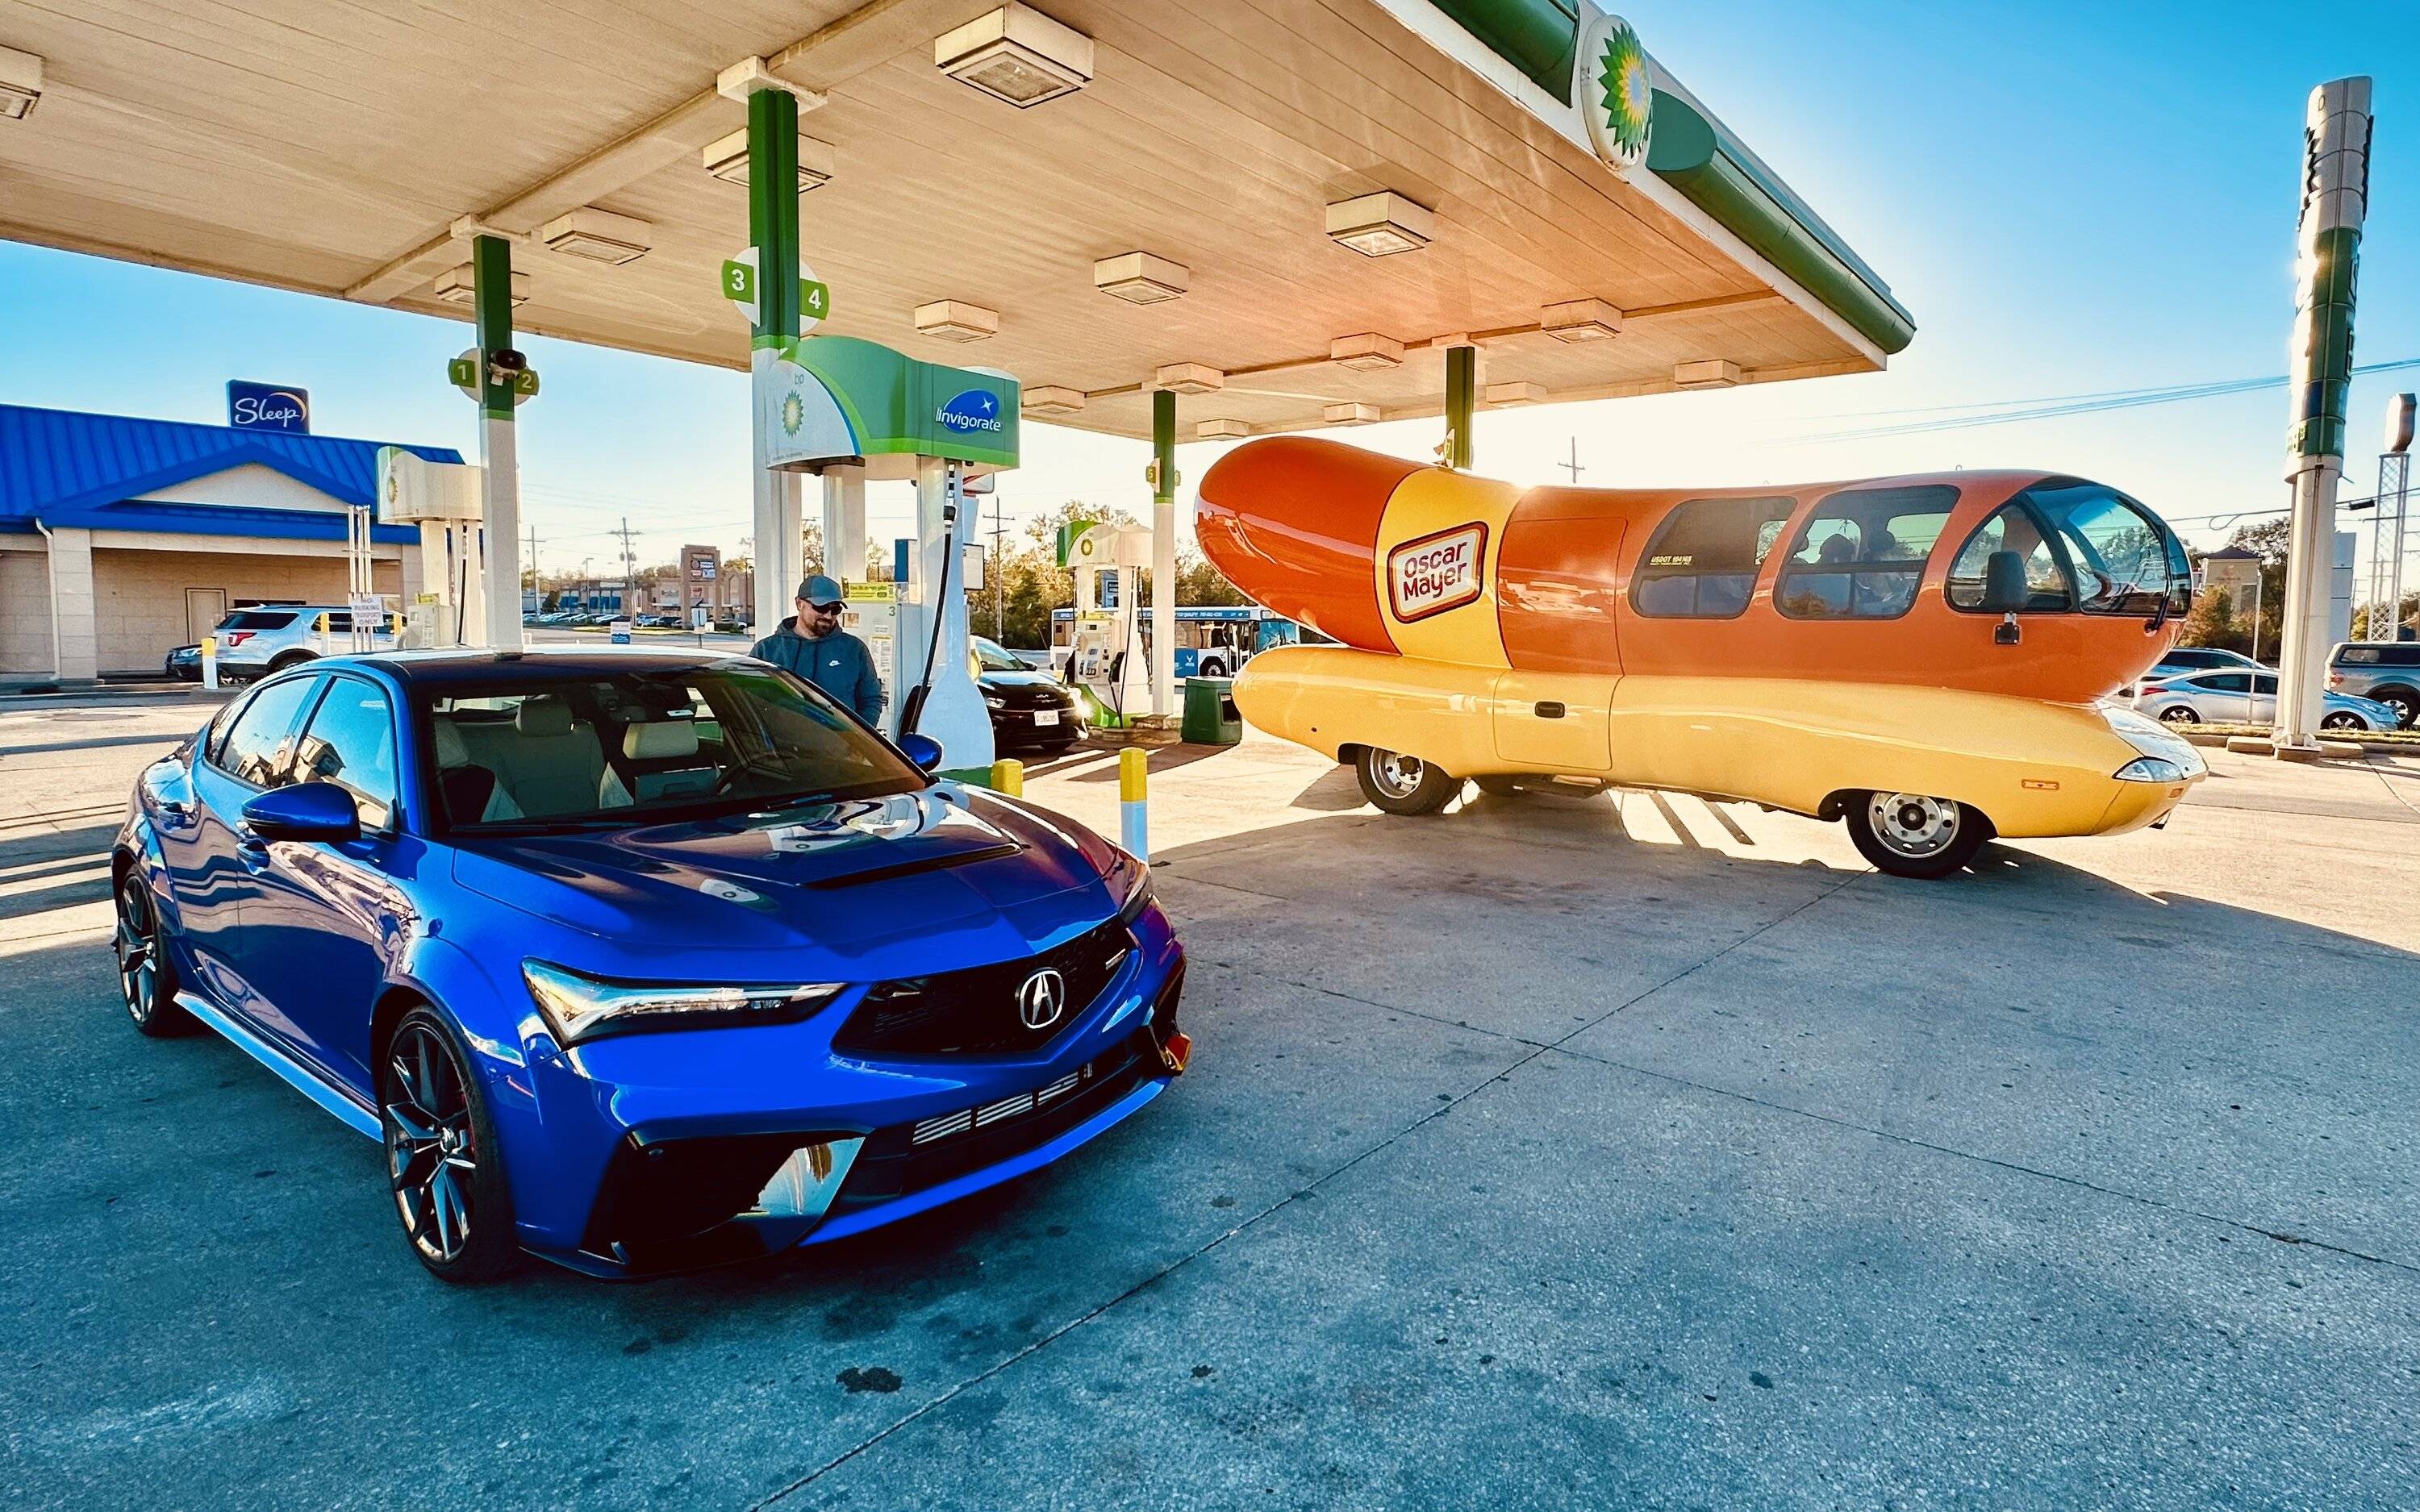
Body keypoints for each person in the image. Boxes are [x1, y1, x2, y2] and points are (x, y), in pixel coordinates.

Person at [749, 574, 885, 727]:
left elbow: (871, 699)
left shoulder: (854, 649)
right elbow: (748, 700)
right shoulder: (766, 651)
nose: (828, 615)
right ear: (799, 604)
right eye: (821, 607)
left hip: (838, 740)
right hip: (780, 740)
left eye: (835, 609)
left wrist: (858, 736)